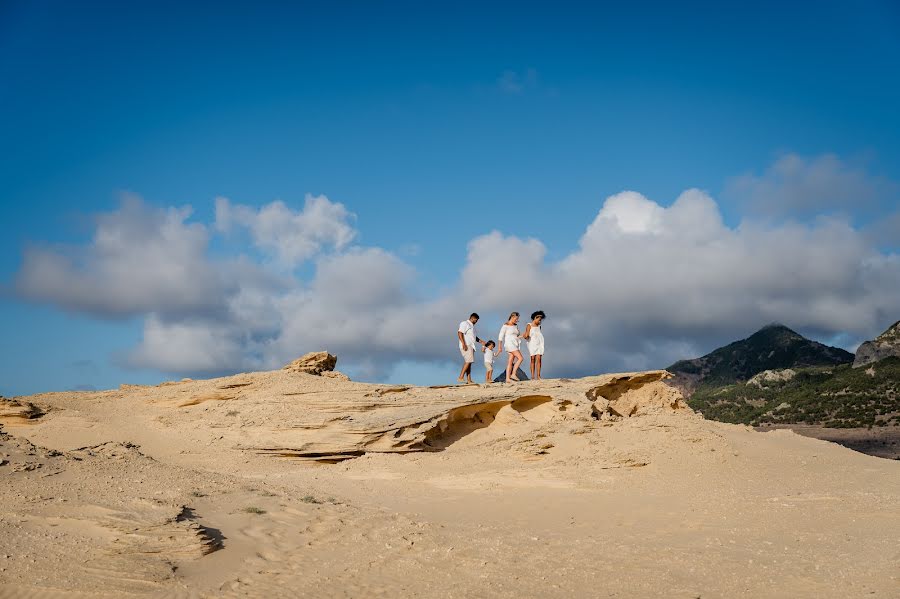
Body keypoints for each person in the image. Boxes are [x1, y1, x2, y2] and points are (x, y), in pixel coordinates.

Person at [497, 312, 524, 383]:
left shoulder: (516, 326)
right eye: (516, 318)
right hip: (509, 344)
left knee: (510, 361)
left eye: (518, 319)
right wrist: (499, 347)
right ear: (512, 317)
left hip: (515, 344)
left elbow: (516, 336)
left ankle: (507, 379)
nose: (517, 320)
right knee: (520, 358)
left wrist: (522, 336)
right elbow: (500, 336)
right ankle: (513, 374)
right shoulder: (505, 325)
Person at [457, 313, 484, 384]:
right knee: (468, 361)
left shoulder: (472, 326)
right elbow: (460, 333)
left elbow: (473, 337)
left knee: (469, 362)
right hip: (467, 345)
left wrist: (480, 341)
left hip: (471, 346)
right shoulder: (465, 323)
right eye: (476, 320)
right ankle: (460, 377)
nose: (476, 322)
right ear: (473, 318)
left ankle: (469, 379)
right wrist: (464, 344)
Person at [523, 310, 546, 380]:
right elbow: (527, 335)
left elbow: (539, 334)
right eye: (539, 319)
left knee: (539, 359)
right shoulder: (529, 325)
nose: (540, 321)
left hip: (540, 343)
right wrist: (525, 336)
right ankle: (532, 376)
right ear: (535, 318)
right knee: (533, 359)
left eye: (541, 320)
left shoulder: (539, 326)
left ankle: (538, 376)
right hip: (532, 343)